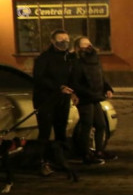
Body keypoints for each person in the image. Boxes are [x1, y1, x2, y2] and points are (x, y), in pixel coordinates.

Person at [32, 29, 77, 176]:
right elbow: (39, 78)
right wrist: (58, 87)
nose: (64, 42)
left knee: (61, 131)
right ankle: (42, 162)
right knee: (45, 132)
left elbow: (73, 76)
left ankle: (60, 160)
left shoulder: (68, 58)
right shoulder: (44, 58)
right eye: (60, 40)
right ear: (53, 41)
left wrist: (73, 92)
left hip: (62, 100)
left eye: (66, 39)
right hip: (46, 100)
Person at [70, 36, 114, 164]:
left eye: (89, 43)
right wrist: (83, 92)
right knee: (87, 125)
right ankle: (86, 154)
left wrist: (107, 88)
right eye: (84, 44)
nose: (88, 46)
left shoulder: (95, 59)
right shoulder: (76, 62)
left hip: (96, 97)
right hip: (84, 98)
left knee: (101, 125)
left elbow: (101, 76)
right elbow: (75, 82)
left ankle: (99, 151)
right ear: (78, 47)